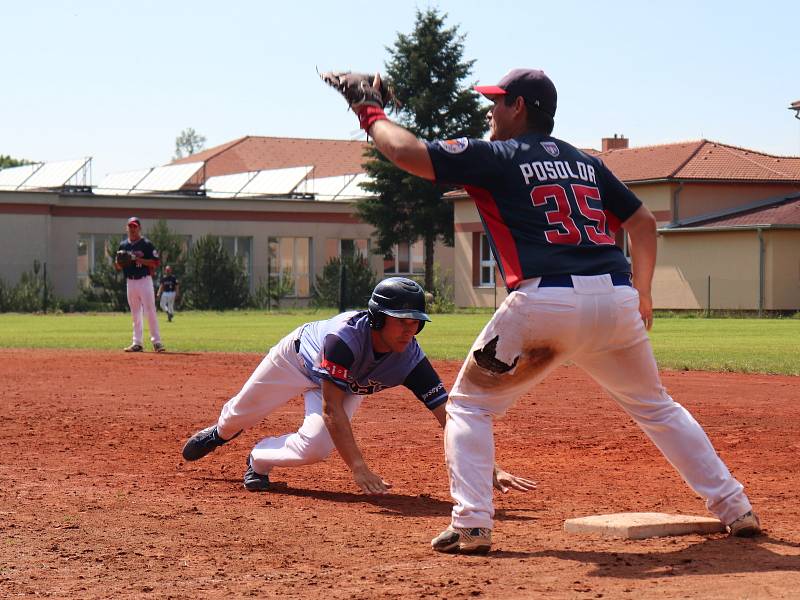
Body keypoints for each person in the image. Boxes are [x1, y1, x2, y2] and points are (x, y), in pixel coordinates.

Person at [325, 68, 761, 554]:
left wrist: (369, 111)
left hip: (545, 301)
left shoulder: (498, 156)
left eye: (499, 101)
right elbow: (641, 220)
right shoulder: (584, 162)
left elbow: (406, 153)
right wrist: (643, 292)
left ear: (521, 108)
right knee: (658, 408)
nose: (491, 110)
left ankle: (472, 522)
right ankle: (735, 507)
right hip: (616, 300)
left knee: (469, 405)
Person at [182, 277, 536, 497]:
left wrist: (488, 468)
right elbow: (332, 411)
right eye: (401, 322)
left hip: (342, 384)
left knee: (315, 449)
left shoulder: (410, 360)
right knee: (239, 416)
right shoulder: (343, 340)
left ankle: (258, 459)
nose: (409, 331)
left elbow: (449, 417)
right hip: (297, 360)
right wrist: (358, 467)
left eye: (416, 323)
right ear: (378, 318)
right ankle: (220, 433)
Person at [114, 216, 165, 353]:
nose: (132, 229)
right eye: (130, 227)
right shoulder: (123, 245)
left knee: (150, 311)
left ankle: (157, 342)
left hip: (144, 280)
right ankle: (137, 342)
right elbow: (118, 266)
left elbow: (155, 262)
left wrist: (136, 259)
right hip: (130, 282)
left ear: (139, 228)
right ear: (127, 228)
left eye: (135, 227)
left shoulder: (146, 244)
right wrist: (120, 262)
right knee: (135, 313)